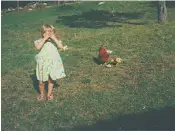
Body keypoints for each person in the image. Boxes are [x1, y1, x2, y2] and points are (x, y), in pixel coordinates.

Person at [34, 24, 66, 101]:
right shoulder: (38, 41)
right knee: (41, 81)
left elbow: (61, 47)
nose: (48, 35)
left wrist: (54, 38)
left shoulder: (55, 41)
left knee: (51, 80)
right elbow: (38, 47)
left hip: (52, 64)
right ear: (42, 33)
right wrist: (44, 39)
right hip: (42, 64)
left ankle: (49, 94)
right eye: (46, 33)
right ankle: (42, 94)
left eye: (50, 33)